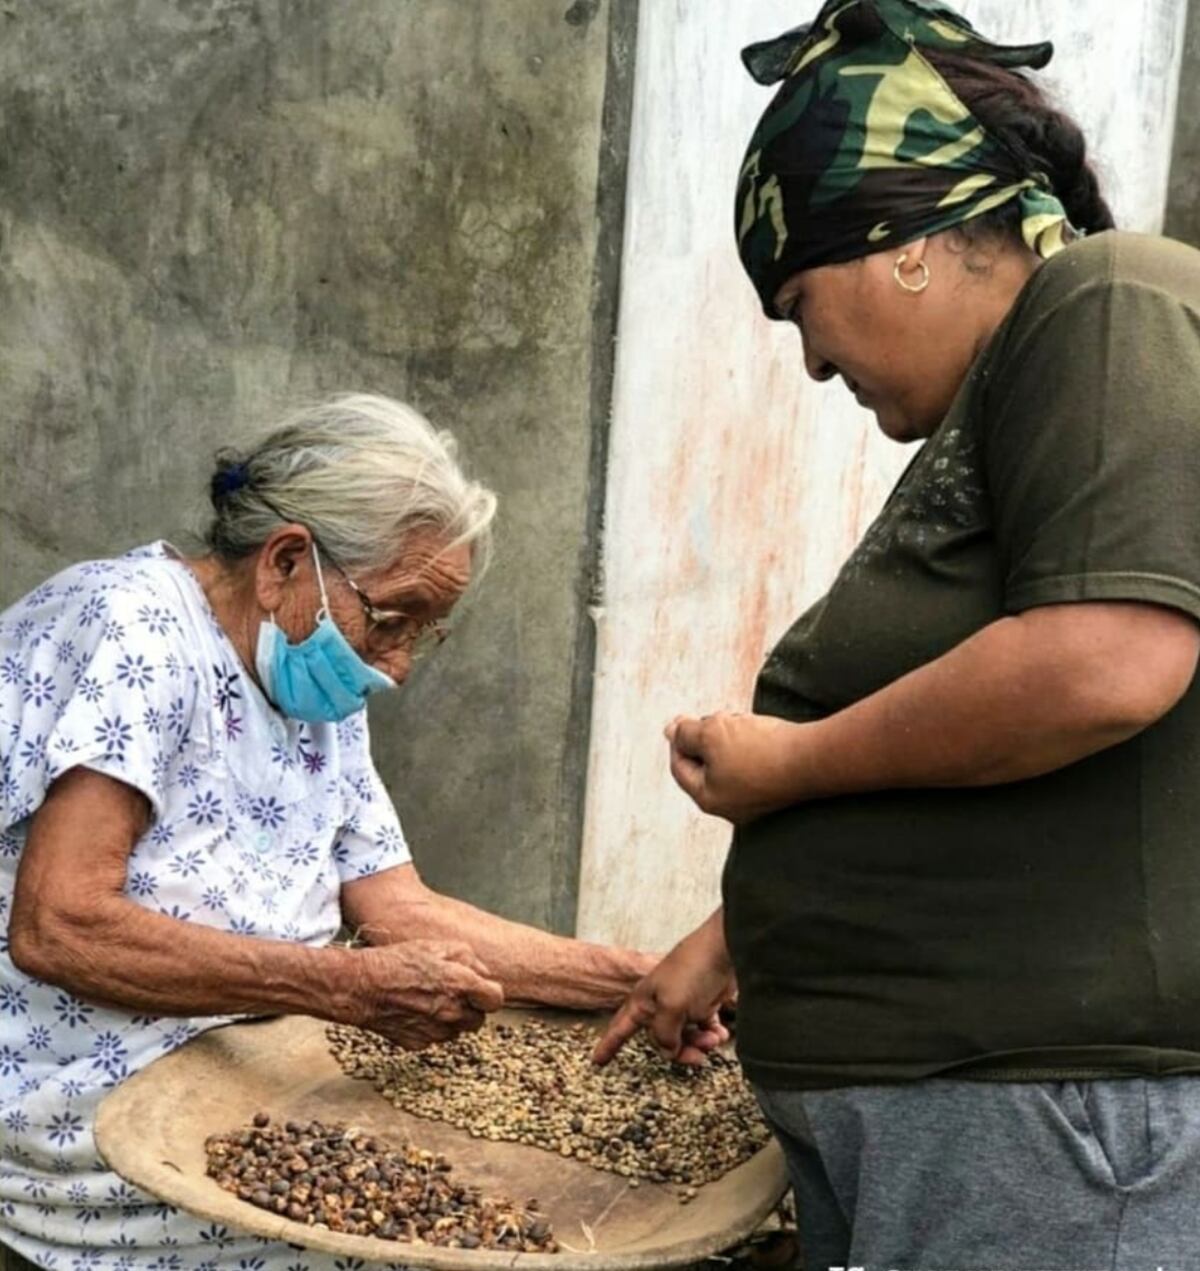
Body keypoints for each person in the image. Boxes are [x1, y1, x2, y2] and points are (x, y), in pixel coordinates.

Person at [596, 2, 1200, 1267]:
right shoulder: (1015, 398)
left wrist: (787, 767)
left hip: (1041, 1116)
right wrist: (734, 936)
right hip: (975, 1117)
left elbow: (1105, 657)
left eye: (799, 302)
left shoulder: (1108, 296)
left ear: (903, 242)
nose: (813, 361)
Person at [0, 393, 655, 1271]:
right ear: (284, 561)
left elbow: (398, 907)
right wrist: (337, 986)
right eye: (391, 618)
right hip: (91, 1122)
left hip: (250, 1079)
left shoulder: (317, 680)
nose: (397, 664)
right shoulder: (134, 630)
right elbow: (58, 924)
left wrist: (635, 982)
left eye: (428, 632)